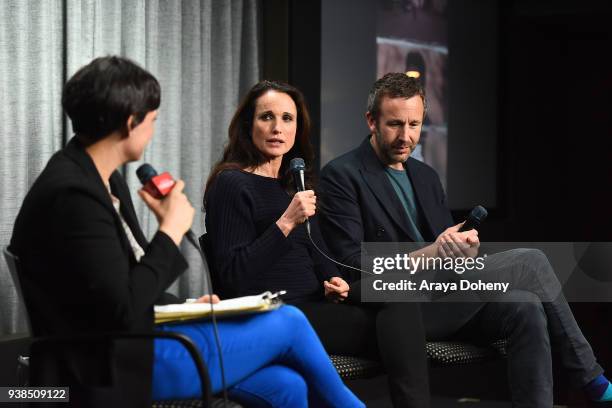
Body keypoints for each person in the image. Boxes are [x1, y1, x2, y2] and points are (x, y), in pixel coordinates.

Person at [9, 56, 364, 408]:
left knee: (286, 386)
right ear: (131, 122)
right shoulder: (74, 195)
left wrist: (187, 306)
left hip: (137, 341)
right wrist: (170, 231)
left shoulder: (101, 178)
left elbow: (116, 287)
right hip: (108, 365)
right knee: (288, 320)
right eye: (152, 120)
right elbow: (121, 310)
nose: (152, 130)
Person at [318, 72, 612, 407]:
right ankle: (591, 380)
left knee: (526, 306)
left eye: (414, 125)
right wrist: (434, 251)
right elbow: (355, 269)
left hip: (446, 294)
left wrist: (464, 252)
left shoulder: (426, 176)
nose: (406, 136)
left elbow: (450, 257)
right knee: (531, 260)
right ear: (371, 121)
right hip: (401, 310)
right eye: (394, 124)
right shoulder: (341, 175)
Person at [204, 80, 430, 407]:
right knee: (400, 315)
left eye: (287, 118)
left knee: (395, 295)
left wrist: (333, 282)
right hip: (277, 316)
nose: (277, 128)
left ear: (298, 128)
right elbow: (233, 276)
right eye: (267, 117)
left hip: (318, 307)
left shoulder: (291, 185)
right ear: (247, 125)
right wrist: (285, 223)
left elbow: (318, 252)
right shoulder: (231, 183)